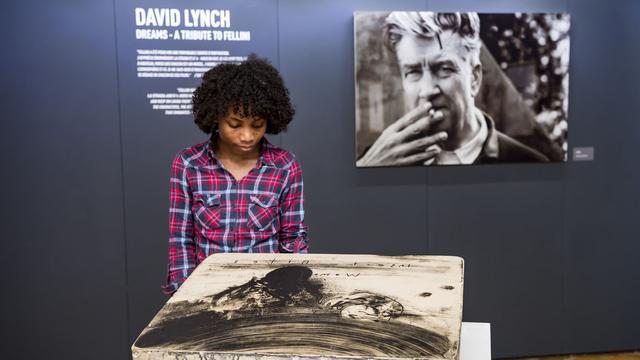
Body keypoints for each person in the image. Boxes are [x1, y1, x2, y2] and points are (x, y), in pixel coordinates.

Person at [163, 55, 308, 295]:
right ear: (216, 117)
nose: (247, 136)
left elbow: (293, 239)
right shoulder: (189, 164)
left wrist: (289, 292)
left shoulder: (285, 167)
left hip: (268, 293)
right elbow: (180, 241)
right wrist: (185, 296)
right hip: (206, 292)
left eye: (257, 124)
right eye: (235, 124)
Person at [357, 12, 549, 167]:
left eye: (444, 69)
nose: (427, 90)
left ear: (474, 78)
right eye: (413, 72)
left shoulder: (528, 163)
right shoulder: (378, 161)